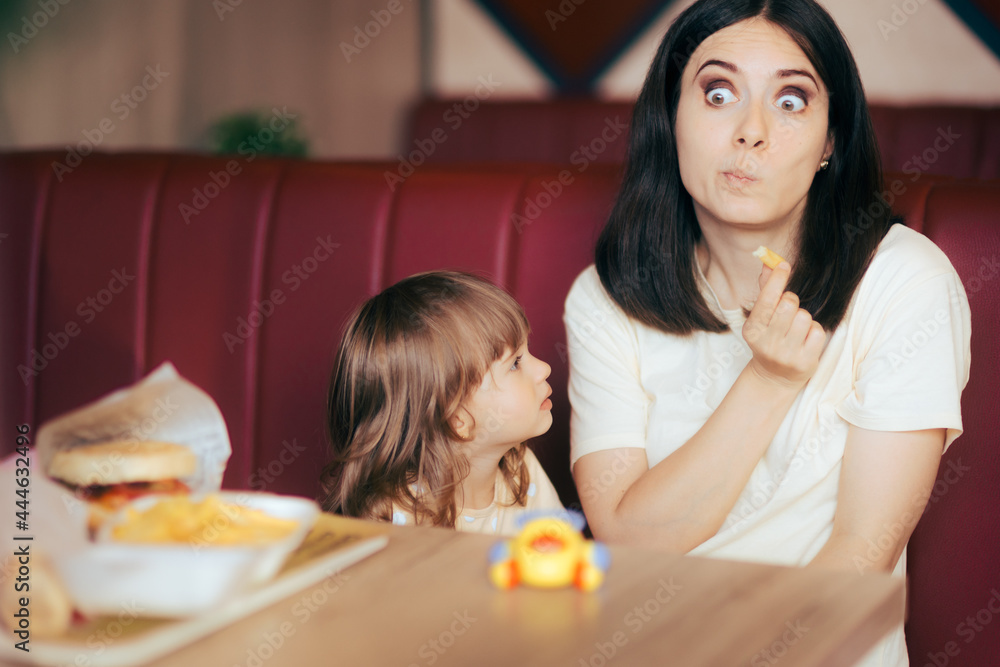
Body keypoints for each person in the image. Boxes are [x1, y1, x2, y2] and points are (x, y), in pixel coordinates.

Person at [563, 0, 970, 664]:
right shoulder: (605, 296)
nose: (751, 132)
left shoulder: (903, 280)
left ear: (831, 141)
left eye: (790, 101)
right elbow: (630, 540)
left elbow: (861, 553)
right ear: (670, 118)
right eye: (718, 93)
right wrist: (769, 380)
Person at [321, 270, 562, 536]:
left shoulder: (521, 469)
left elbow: (564, 551)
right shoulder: (399, 517)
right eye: (515, 363)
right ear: (457, 420)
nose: (544, 368)